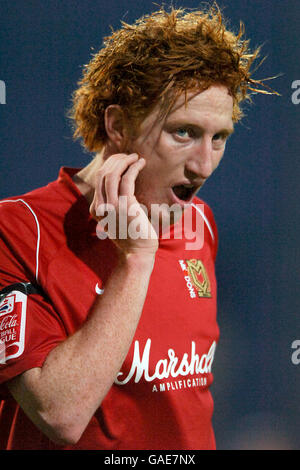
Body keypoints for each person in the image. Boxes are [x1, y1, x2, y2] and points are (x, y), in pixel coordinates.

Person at [0, 6, 273, 450]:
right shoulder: (18, 229)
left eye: (219, 137)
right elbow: (60, 414)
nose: (204, 164)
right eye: (183, 132)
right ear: (118, 126)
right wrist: (135, 261)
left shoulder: (200, 222)